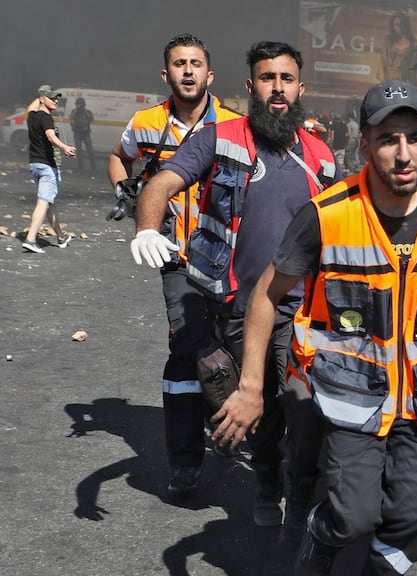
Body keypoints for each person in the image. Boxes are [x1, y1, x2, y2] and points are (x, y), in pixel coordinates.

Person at [228, 80, 417, 575]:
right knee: (352, 515)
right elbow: (266, 295)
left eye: (414, 137)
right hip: (354, 395)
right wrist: (252, 386)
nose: (404, 154)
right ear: (365, 146)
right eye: (388, 139)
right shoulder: (327, 214)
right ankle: (324, 534)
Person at [131, 41, 337, 533]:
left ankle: (303, 496)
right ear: (251, 87)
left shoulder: (322, 158)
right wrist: (145, 227)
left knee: (306, 409)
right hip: (240, 309)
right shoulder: (219, 139)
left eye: (287, 79)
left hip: (300, 309)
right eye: (268, 79)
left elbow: (342, 227)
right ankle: (268, 482)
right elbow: (161, 183)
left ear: (301, 88)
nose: (278, 89)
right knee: (260, 408)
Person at [108, 33, 240, 496]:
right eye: (179, 64)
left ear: (210, 74)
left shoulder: (235, 126)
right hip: (175, 258)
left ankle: (224, 421)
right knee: (187, 350)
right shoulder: (145, 123)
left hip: (231, 260)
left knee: (232, 352)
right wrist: (124, 190)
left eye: (196, 63)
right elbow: (118, 156)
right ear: (166, 75)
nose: (188, 70)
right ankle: (185, 461)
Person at [22, 85, 75, 254]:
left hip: (35, 165)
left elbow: (30, 108)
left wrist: (40, 98)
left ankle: (60, 237)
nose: (56, 100)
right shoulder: (46, 118)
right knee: (44, 201)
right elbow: (51, 136)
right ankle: (30, 239)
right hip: (47, 167)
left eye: (56, 98)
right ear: (42, 100)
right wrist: (65, 147)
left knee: (49, 204)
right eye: (51, 98)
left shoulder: (33, 116)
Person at [384, 12, 416, 83]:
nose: (399, 28)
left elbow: (413, 68)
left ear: (406, 25)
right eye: (396, 25)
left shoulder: (413, 43)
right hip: (389, 79)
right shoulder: (387, 41)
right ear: (392, 26)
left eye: (402, 24)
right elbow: (382, 63)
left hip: (404, 80)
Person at [70, 97, 96, 173]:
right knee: (79, 151)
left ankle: (93, 167)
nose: (80, 106)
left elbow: (91, 119)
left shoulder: (87, 112)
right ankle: (81, 167)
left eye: (81, 104)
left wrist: (84, 112)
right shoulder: (74, 112)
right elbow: (71, 118)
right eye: (78, 104)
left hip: (85, 133)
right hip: (77, 133)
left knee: (90, 151)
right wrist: (76, 111)